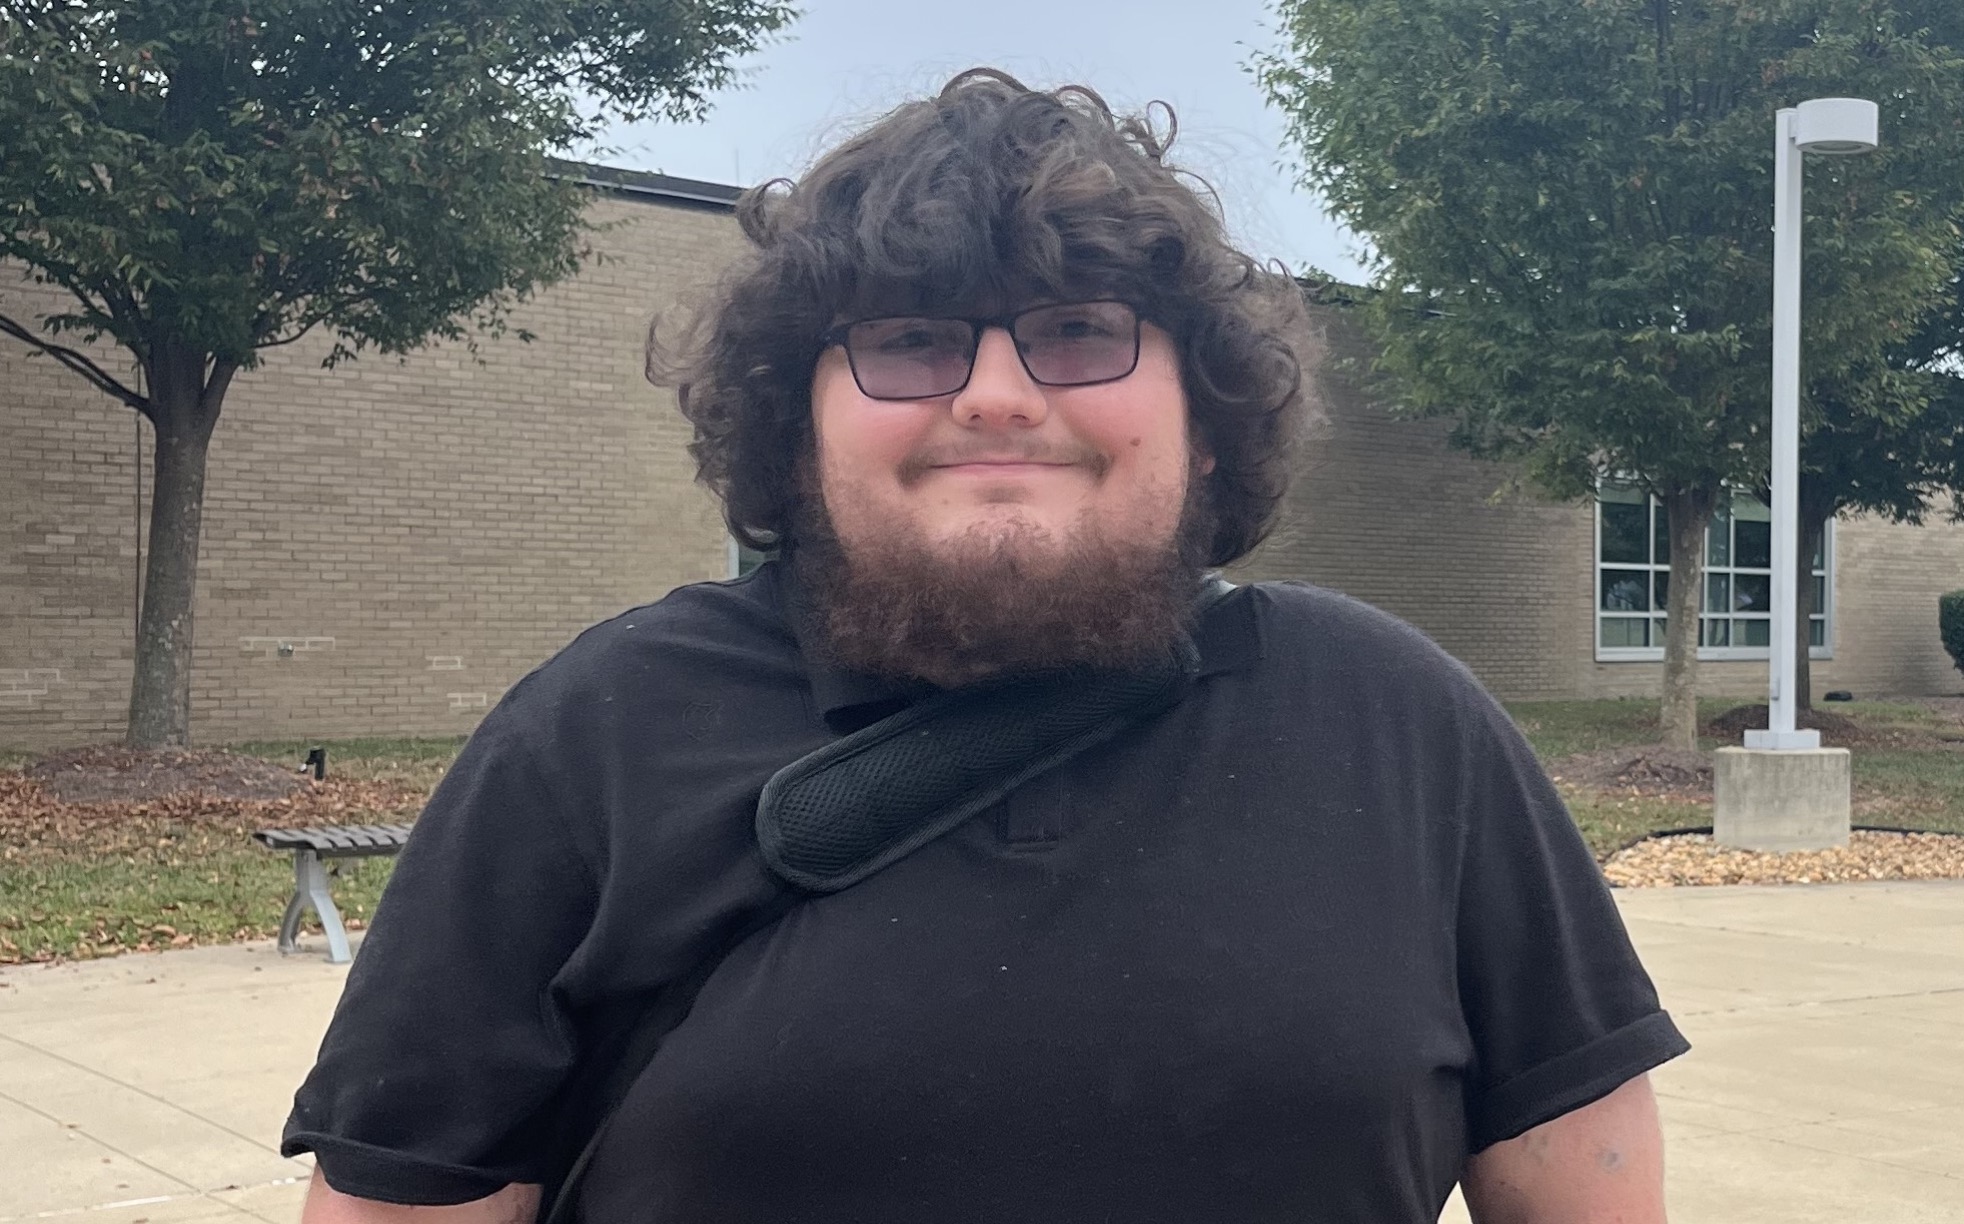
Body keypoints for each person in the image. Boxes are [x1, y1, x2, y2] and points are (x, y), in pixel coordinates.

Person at [289, 68, 1688, 1224]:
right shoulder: (587, 738)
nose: (1000, 397)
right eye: (910, 342)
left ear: (1201, 409)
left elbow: (1587, 1190)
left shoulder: (1398, 725)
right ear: (799, 418)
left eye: (1080, 332)